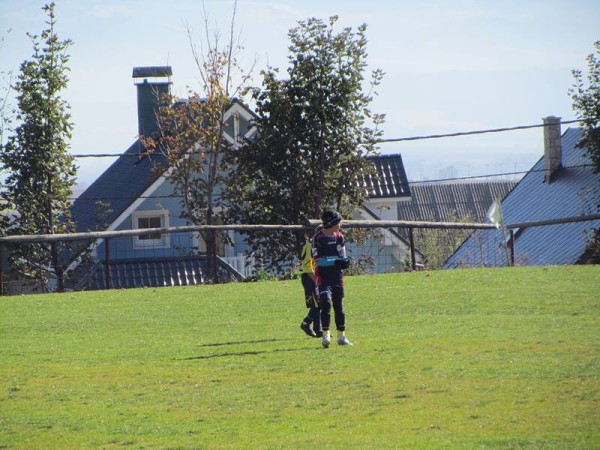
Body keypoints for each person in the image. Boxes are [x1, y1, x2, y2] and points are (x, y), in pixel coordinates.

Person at [312, 211, 352, 348]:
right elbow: (318, 261)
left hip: (337, 277)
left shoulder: (340, 237)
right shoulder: (318, 238)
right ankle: (326, 335)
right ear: (333, 223)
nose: (341, 224)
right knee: (326, 303)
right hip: (323, 277)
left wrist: (345, 261)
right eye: (339, 222)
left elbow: (342, 256)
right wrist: (335, 261)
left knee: (339, 306)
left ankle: (341, 337)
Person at [299, 230, 322, 338]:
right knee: (318, 304)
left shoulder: (317, 245)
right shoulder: (310, 246)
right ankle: (306, 323)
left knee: (317, 304)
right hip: (310, 278)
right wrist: (317, 281)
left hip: (314, 277)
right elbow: (308, 268)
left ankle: (318, 330)